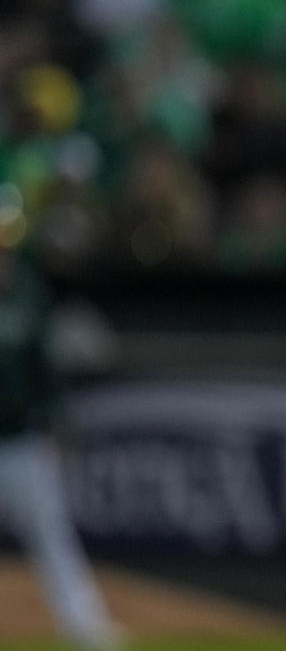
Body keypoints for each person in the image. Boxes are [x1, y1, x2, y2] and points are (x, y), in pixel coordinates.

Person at [0, 242, 124, 650]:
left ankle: (85, 626)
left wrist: (56, 424)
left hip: (21, 443)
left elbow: (45, 372)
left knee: (52, 536)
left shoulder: (27, 296)